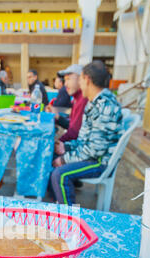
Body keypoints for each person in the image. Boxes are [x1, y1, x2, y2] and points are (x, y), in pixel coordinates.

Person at [50, 60, 123, 206]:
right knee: (50, 151)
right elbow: (84, 138)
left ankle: (69, 219)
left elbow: (95, 151)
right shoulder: (94, 102)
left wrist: (65, 159)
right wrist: (67, 147)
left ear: (87, 79)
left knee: (60, 174)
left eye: (81, 79)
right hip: (92, 154)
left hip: (100, 162)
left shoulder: (105, 105)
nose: (80, 85)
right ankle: (58, 200)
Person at [50, 65, 88, 154]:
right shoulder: (76, 98)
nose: (65, 84)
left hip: (78, 150)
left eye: (68, 79)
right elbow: (72, 126)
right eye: (65, 80)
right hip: (75, 145)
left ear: (81, 79)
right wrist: (57, 117)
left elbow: (74, 133)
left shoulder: (83, 100)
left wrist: (58, 142)